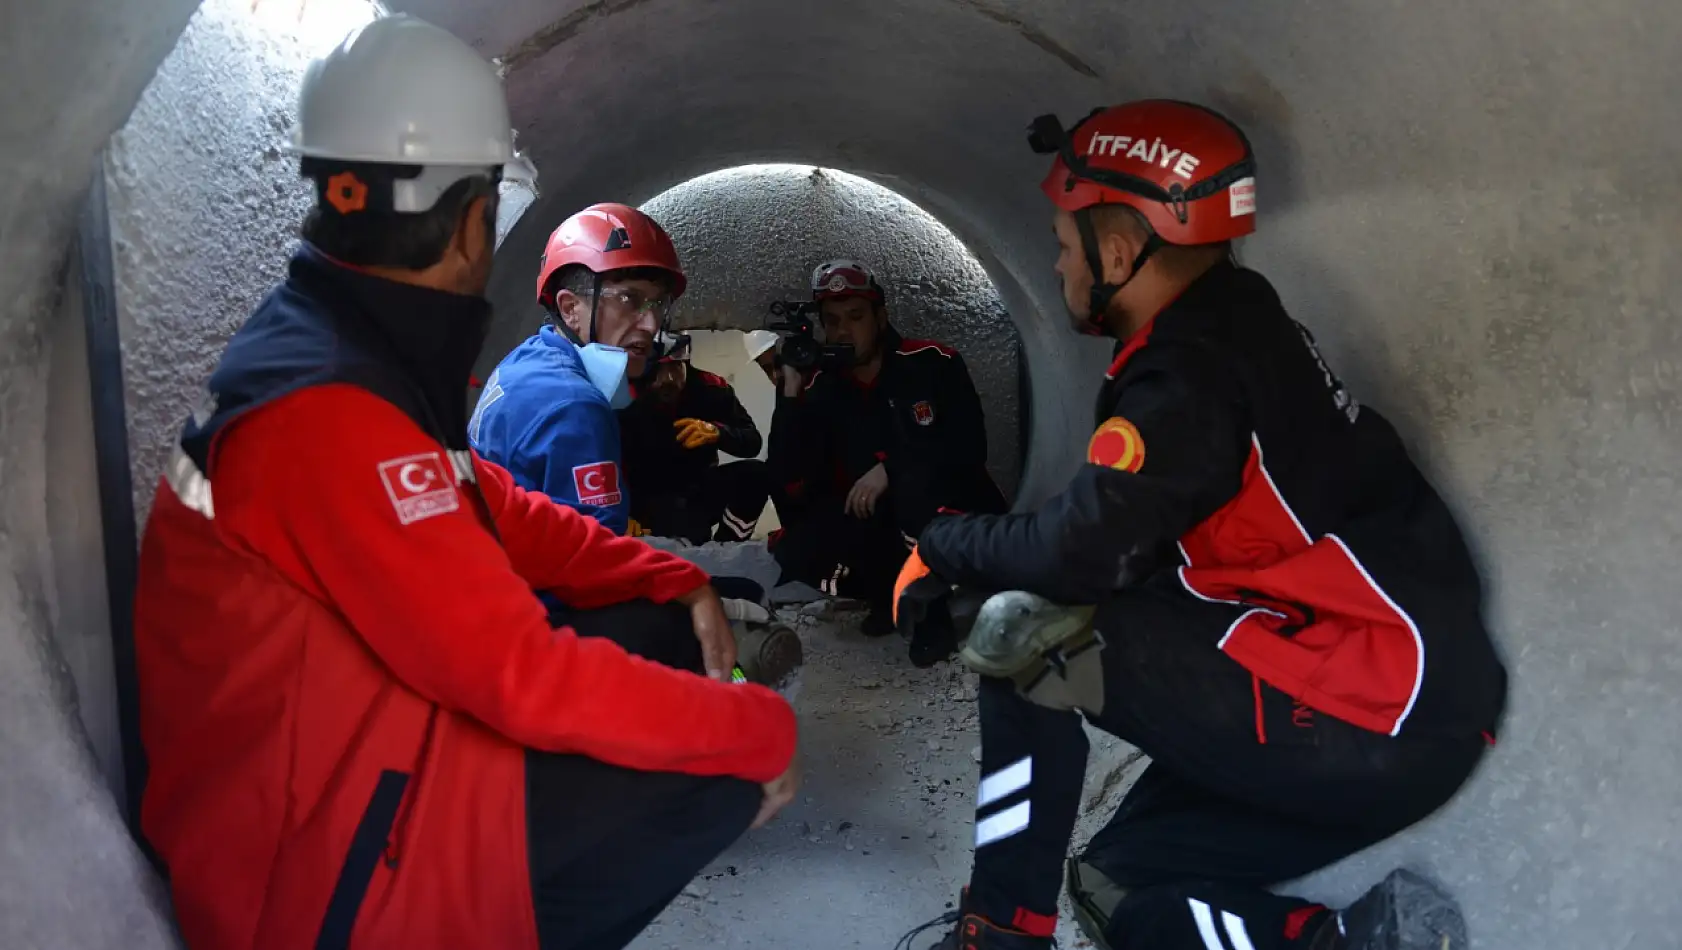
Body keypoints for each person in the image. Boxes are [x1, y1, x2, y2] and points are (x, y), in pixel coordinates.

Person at [131, 17, 799, 950]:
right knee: (714, 767)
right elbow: (518, 675)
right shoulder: (332, 404)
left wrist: (665, 575)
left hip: (338, 746)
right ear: (475, 216)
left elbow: (490, 502)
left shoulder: (338, 348)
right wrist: (757, 728)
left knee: (659, 634)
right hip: (311, 872)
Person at [895, 100, 1505, 950]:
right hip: (1388, 707)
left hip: (1365, 708)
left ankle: (997, 932)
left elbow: (1077, 554)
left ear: (1118, 252)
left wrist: (941, 543)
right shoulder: (1234, 315)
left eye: (1065, 246)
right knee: (1115, 885)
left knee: (1021, 635)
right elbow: (1130, 539)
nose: (1059, 263)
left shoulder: (1191, 374)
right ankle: (1346, 941)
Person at [768, 259, 1007, 635]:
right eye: (832, 321)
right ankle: (886, 594)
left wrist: (891, 469)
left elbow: (968, 449)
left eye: (855, 317)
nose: (843, 331)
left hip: (949, 514)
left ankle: (930, 606)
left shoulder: (933, 363)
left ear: (879, 318)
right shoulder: (821, 388)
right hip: (873, 528)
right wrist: (790, 394)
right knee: (798, 544)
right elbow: (787, 475)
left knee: (912, 487)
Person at [468, 201, 686, 535]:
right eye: (629, 299)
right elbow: (601, 563)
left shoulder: (525, 360)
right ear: (570, 308)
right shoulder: (575, 405)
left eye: (659, 303)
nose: (651, 322)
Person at [619, 331, 773, 543]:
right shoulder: (622, 397)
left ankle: (727, 545)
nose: (669, 379)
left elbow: (752, 442)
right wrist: (621, 512)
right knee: (691, 540)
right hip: (647, 498)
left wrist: (717, 432)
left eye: (675, 367)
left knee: (756, 474)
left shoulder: (711, 389)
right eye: (658, 370)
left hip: (697, 487)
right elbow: (603, 460)